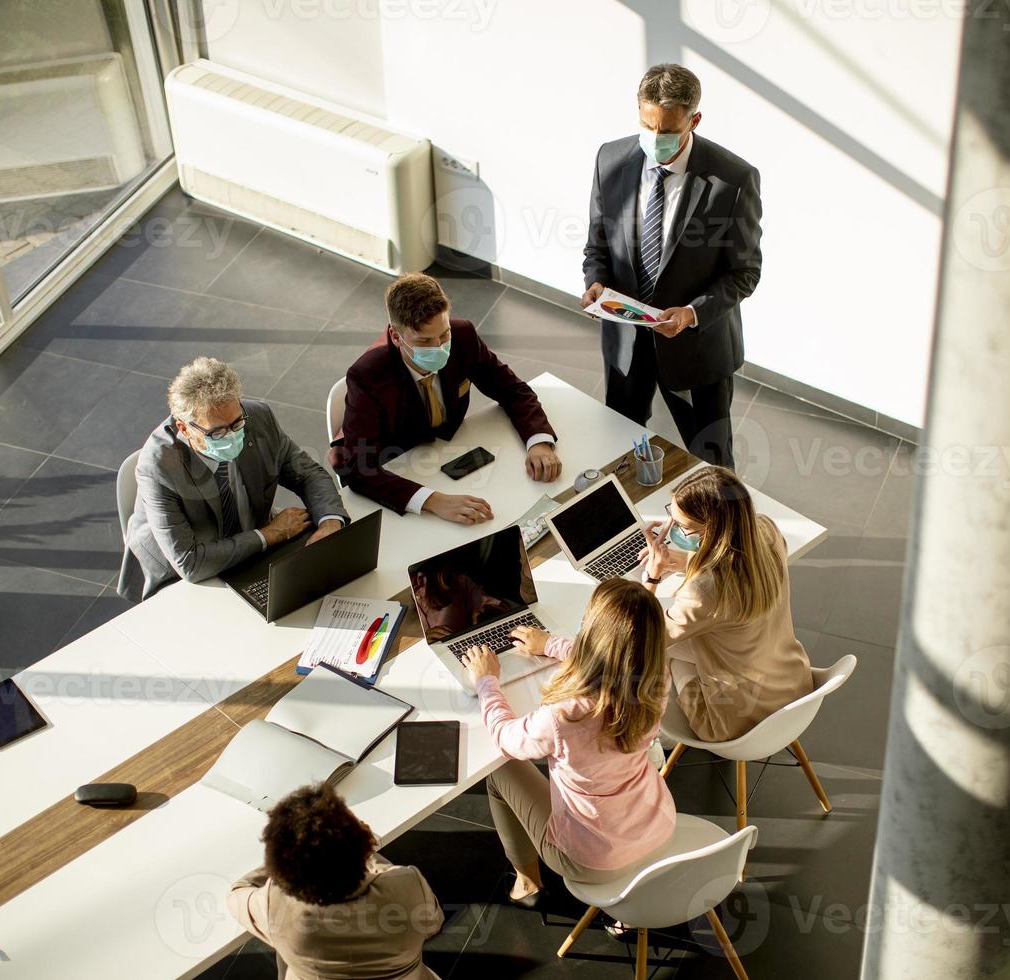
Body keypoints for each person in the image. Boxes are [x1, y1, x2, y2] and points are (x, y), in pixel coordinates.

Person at [517, 466, 812, 743]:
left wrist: (653, 577)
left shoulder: (703, 593)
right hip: (794, 684)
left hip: (732, 718)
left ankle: (649, 743)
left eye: (682, 528)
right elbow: (734, 571)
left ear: (711, 532)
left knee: (647, 655)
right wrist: (688, 561)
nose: (672, 531)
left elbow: (635, 639)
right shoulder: (767, 532)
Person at [581, 63, 762, 468]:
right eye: (647, 126)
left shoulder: (733, 181)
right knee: (621, 446)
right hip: (626, 342)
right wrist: (596, 281)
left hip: (697, 349)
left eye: (666, 132)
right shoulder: (610, 159)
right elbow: (598, 242)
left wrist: (692, 313)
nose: (654, 139)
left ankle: (718, 530)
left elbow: (744, 272)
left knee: (711, 462)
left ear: (693, 120)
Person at [463, 578, 675, 905]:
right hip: (659, 828)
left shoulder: (566, 716)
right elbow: (618, 657)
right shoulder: (655, 677)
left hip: (592, 861)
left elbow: (507, 739)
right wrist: (552, 644)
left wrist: (486, 682)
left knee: (501, 771)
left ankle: (527, 882)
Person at [330, 273, 562, 525]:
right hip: (397, 467)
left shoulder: (463, 336)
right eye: (424, 341)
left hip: (447, 452)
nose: (439, 347)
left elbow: (512, 389)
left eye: (444, 334)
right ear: (396, 337)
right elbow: (359, 468)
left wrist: (538, 441)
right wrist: (432, 501)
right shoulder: (367, 376)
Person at [118, 357, 349, 602]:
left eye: (237, 423)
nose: (232, 436)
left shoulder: (259, 418)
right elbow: (190, 563)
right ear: (185, 429)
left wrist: (330, 524)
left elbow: (308, 473)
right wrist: (268, 535)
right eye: (217, 432)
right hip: (183, 574)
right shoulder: (158, 467)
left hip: (253, 548)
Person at [228, 783, 444, 980]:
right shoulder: (407, 884)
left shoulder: (275, 905)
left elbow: (237, 893)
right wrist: (368, 856)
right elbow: (433, 925)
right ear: (364, 839)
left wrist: (287, 860)